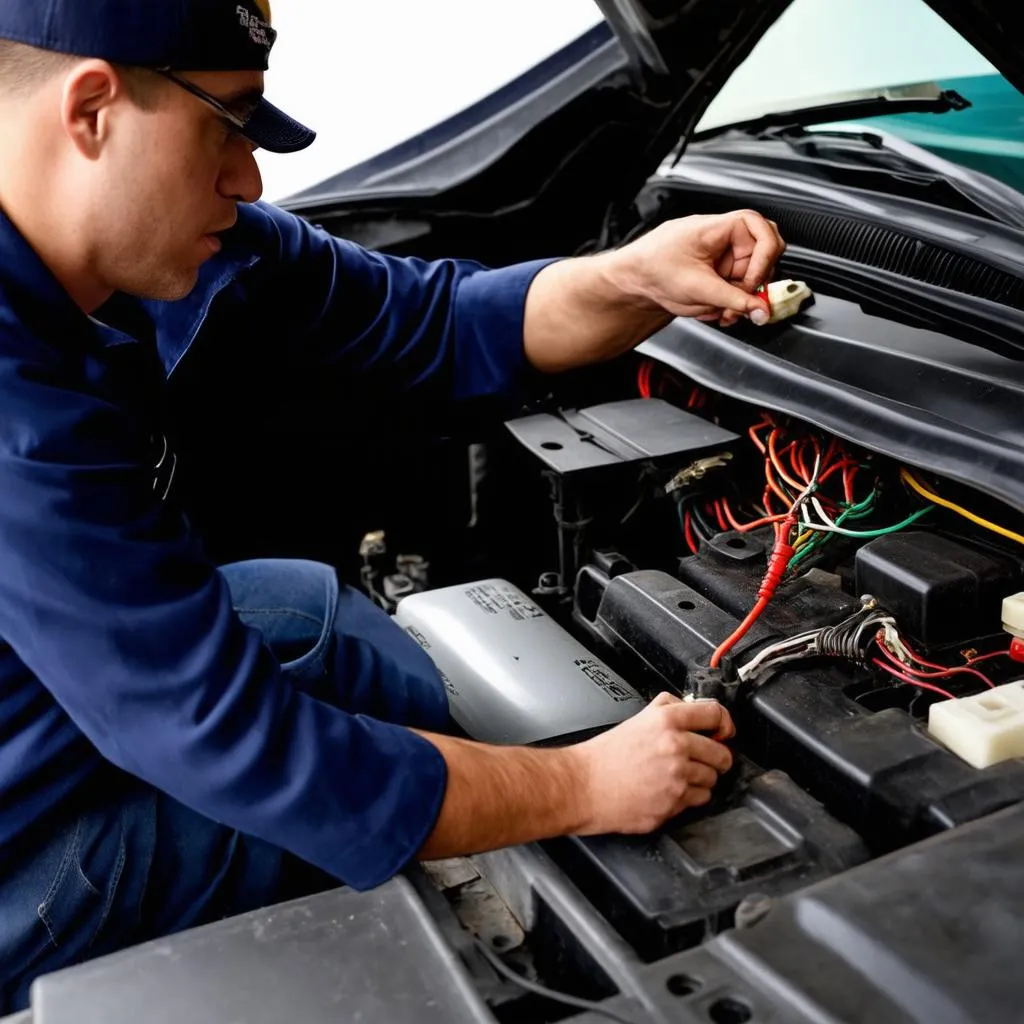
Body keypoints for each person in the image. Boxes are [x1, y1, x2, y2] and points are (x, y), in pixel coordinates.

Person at [0, 0, 784, 1009]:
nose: (248, 181)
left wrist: (636, 279)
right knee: (307, 814)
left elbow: (431, 318)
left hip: (43, 709)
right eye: (228, 127)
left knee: (298, 609)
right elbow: (234, 741)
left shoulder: (151, 245)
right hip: (20, 861)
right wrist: (583, 786)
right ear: (93, 110)